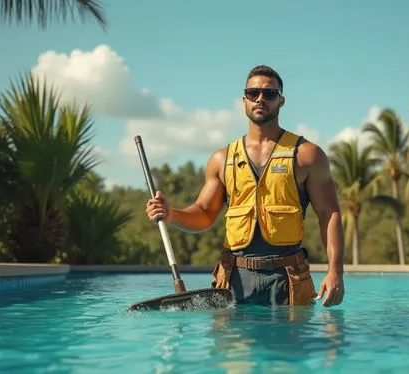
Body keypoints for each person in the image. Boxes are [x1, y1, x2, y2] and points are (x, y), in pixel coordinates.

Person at [146, 65, 345, 308]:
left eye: (270, 94)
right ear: (244, 100)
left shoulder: (307, 155)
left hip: (288, 280)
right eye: (253, 93)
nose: (261, 98)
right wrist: (171, 214)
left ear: (281, 101)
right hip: (233, 280)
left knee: (292, 346)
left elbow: (329, 213)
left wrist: (335, 271)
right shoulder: (222, 159)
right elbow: (205, 212)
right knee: (231, 347)